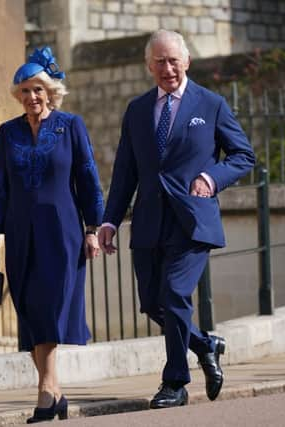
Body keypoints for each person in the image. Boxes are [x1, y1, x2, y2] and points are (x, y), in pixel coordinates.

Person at [98, 30, 255, 408]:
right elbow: (125, 173)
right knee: (153, 303)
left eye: (173, 61)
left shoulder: (211, 103)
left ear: (186, 62)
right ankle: (205, 344)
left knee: (175, 294)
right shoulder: (137, 110)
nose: (167, 68)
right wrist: (108, 221)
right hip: (149, 221)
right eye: (159, 62)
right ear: (148, 66)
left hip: (192, 221)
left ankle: (175, 383)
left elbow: (242, 156)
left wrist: (211, 178)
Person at [0, 46, 104, 423]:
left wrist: (93, 228)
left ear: (50, 91)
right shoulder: (7, 133)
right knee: (30, 308)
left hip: (62, 229)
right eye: (25, 91)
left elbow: (87, 177)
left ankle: (45, 392)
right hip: (19, 231)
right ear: (17, 95)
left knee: (51, 304)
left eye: (38, 89)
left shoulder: (71, 126)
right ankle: (56, 392)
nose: (32, 97)